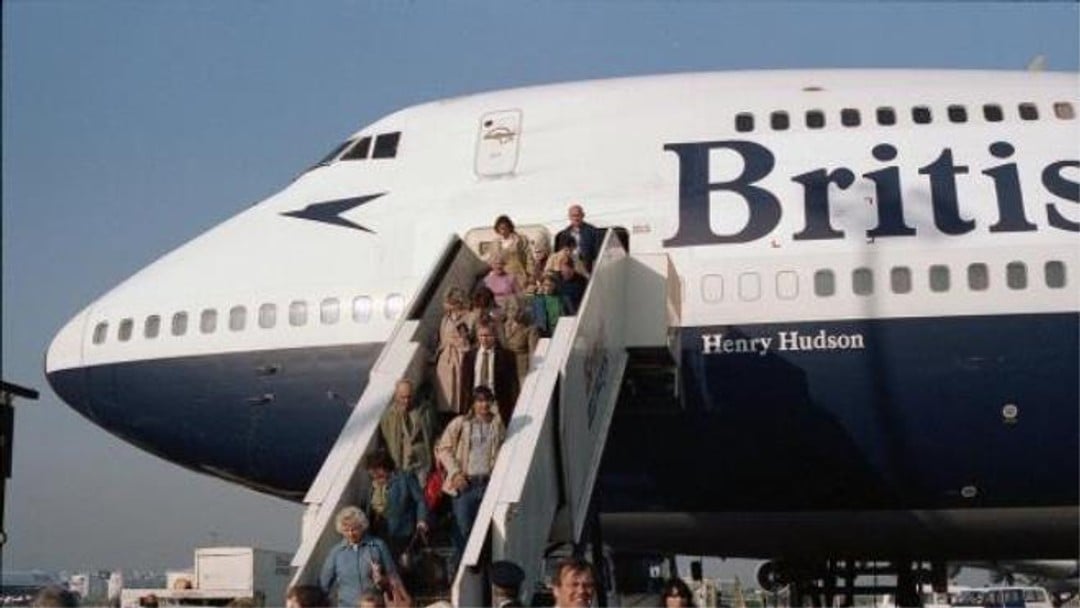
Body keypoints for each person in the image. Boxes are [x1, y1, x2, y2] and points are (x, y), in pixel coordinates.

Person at [435, 386, 506, 565]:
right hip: (466, 483)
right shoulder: (461, 423)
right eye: (480, 401)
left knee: (486, 532)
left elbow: (503, 449)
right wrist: (455, 473)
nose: (484, 405)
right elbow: (443, 448)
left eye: (487, 400)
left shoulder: (497, 424)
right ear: (473, 403)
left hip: (487, 483)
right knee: (463, 529)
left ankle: (481, 570)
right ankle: (459, 569)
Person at [319, 506, 410, 608]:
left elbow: (392, 575)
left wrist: (382, 580)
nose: (351, 534)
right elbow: (324, 583)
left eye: (354, 529)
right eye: (346, 530)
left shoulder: (378, 546)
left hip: (375, 604)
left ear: (362, 527)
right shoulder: (336, 552)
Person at [361, 451, 430, 560]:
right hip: (380, 533)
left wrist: (421, 520)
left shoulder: (405, 478)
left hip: (403, 531)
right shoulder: (373, 485)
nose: (374, 474)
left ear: (386, 466)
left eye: (377, 469)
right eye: (372, 471)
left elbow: (420, 500)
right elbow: (369, 510)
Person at [379, 378, 437, 486]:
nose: (406, 401)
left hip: (421, 463)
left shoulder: (423, 412)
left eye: (409, 397)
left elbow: (433, 432)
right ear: (396, 396)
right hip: (401, 466)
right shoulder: (388, 418)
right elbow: (385, 442)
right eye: (403, 397)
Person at [459, 321, 520, 422]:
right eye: (481, 335)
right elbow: (464, 385)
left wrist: (514, 406)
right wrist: (464, 409)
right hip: (475, 404)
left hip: (497, 404)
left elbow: (513, 385)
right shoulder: (469, 356)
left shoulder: (507, 356)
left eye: (488, 335)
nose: (484, 339)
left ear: (494, 335)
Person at [434, 287, 473, 414]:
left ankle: (460, 411)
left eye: (449, 302)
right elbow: (442, 337)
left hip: (461, 356)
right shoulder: (445, 319)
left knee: (459, 387)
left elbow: (469, 337)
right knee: (445, 389)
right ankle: (446, 412)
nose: (445, 305)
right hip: (445, 357)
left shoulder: (468, 317)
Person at [553, 204, 603, 273]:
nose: (576, 218)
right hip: (569, 268)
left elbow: (598, 252)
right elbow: (559, 254)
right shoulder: (564, 234)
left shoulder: (592, 231)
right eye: (573, 216)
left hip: (587, 267)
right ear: (569, 217)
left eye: (578, 215)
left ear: (583, 215)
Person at [501, 300, 538, 384]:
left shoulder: (530, 328)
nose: (516, 313)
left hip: (522, 365)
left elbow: (533, 351)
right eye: (512, 309)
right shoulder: (503, 325)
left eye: (519, 310)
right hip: (505, 363)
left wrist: (532, 367)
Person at [491, 215, 533, 288]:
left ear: (509, 227)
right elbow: (493, 259)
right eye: (500, 229)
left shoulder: (520, 240)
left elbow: (528, 257)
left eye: (505, 228)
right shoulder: (496, 243)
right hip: (503, 277)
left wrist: (530, 273)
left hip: (519, 275)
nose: (503, 231)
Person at [530, 273, 565, 338]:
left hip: (558, 328)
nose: (548, 288)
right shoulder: (538, 299)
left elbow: (563, 314)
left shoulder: (560, 299)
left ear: (555, 286)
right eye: (546, 285)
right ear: (542, 286)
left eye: (550, 285)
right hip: (543, 331)